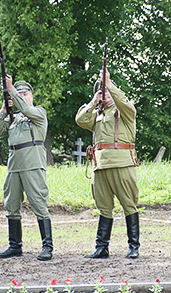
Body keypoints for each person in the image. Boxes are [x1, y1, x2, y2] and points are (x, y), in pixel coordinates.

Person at [75, 68, 140, 259]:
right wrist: (94, 102)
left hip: (122, 163)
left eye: (105, 92)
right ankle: (101, 247)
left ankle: (133, 247)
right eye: (100, 91)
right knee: (104, 207)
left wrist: (109, 84)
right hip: (100, 165)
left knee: (129, 204)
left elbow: (129, 106)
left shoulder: (123, 111)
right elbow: (80, 119)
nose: (104, 95)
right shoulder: (97, 114)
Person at [0, 75, 53, 261]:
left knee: (38, 203)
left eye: (25, 94)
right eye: (20, 94)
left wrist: (12, 90)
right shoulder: (15, 118)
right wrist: (4, 108)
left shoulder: (38, 113)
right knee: (11, 205)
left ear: (31, 96)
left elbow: (25, 107)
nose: (22, 97)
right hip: (14, 166)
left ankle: (47, 247)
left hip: (33, 165)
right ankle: (15, 246)